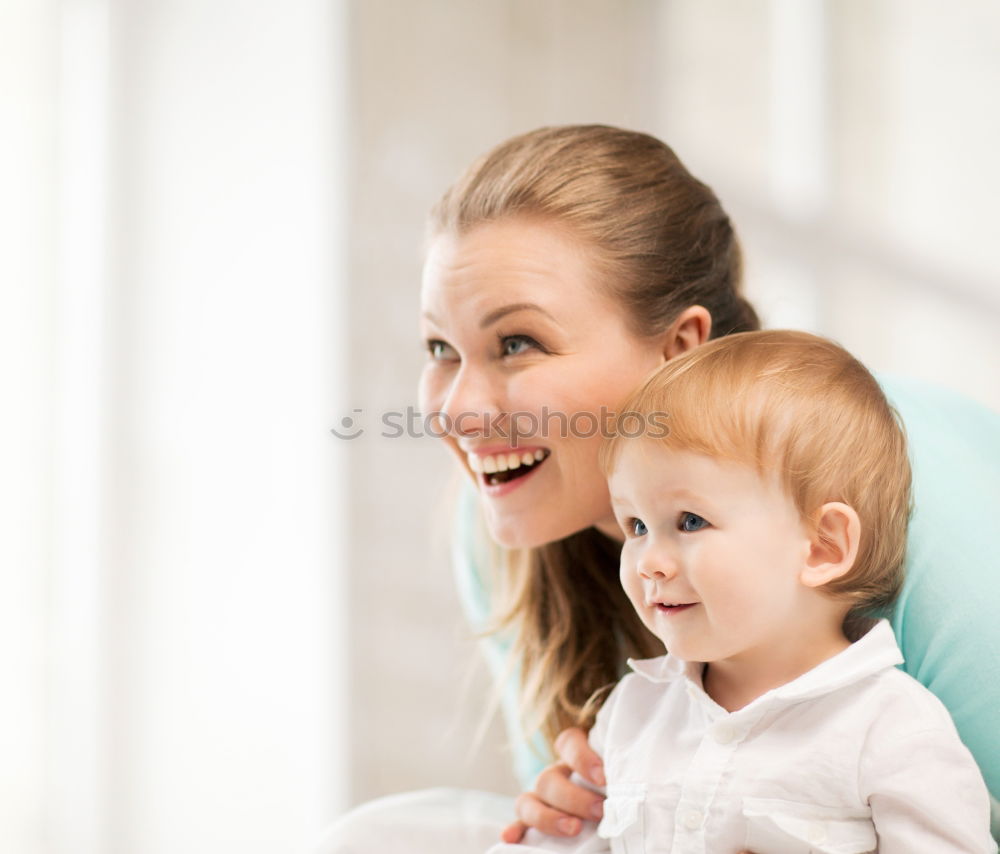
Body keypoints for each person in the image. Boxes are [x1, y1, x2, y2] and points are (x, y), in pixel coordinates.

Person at [315, 125, 1000, 853]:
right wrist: (575, 811)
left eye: (518, 343)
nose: (457, 411)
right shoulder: (506, 518)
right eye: (440, 350)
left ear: (678, 348)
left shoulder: (910, 503)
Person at [483, 329, 996, 853]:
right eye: (636, 526)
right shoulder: (635, 708)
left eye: (689, 521)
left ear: (821, 546)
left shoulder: (891, 729)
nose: (649, 563)